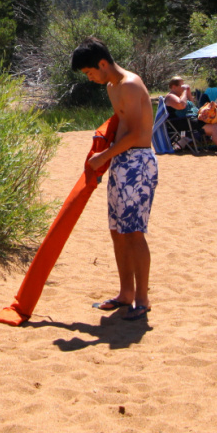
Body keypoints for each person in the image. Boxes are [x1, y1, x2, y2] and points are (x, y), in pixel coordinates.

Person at [73, 37, 157, 321]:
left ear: (102, 63)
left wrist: (104, 156)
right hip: (121, 162)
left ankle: (142, 299)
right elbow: (120, 126)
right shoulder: (112, 87)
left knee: (134, 232)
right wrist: (104, 151)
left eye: (90, 72)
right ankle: (126, 294)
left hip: (138, 163)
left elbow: (136, 134)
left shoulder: (130, 84)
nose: (90, 78)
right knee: (117, 231)